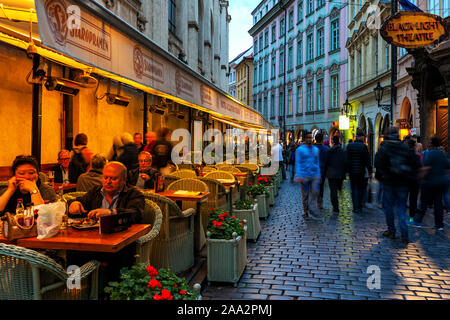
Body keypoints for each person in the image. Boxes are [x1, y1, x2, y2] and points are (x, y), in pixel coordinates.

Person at [375, 126, 420, 244]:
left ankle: (391, 230)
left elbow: (378, 163)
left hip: (389, 182)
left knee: (389, 206)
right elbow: (413, 162)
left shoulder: (384, 147)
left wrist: (381, 177)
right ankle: (404, 233)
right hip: (403, 182)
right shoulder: (404, 146)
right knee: (401, 207)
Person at [68, 161, 144, 223]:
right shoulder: (96, 191)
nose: (108, 182)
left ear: (123, 180)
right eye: (105, 178)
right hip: (95, 236)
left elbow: (135, 214)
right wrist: (75, 203)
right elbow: (81, 201)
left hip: (122, 236)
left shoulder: (134, 193)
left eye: (113, 178)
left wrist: (110, 212)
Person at [411, 136, 449, 231]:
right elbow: (447, 166)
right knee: (438, 203)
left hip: (430, 182)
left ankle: (417, 221)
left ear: (431, 144)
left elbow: (426, 167)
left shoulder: (430, 154)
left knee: (423, 202)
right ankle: (439, 224)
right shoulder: (442, 154)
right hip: (441, 182)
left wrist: (420, 177)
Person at [295, 132, 321, 220]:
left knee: (315, 192)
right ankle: (306, 211)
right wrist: (298, 175)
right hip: (304, 176)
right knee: (305, 195)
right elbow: (298, 162)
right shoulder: (300, 149)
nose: (310, 139)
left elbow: (317, 163)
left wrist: (318, 175)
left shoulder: (316, 150)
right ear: (305, 139)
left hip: (313, 175)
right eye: (308, 138)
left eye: (311, 137)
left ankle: (312, 208)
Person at [346, 131, 372, 214]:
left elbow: (347, 159)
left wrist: (347, 170)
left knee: (354, 189)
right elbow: (367, 160)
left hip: (352, 171)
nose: (364, 138)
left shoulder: (349, 146)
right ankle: (360, 206)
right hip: (361, 171)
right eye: (363, 137)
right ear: (360, 137)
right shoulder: (363, 146)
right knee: (360, 188)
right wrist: (370, 171)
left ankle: (355, 207)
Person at [323, 136, 346, 213]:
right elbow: (345, 162)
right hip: (340, 173)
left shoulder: (329, 151)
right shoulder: (342, 151)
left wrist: (325, 172)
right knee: (338, 189)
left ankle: (335, 207)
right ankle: (338, 203)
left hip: (331, 173)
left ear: (332, 142)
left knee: (333, 191)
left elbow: (326, 163)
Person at [406, 139, 421, 220]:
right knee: (413, 199)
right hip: (414, 180)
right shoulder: (416, 156)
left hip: (405, 179)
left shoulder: (404, 155)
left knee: (403, 197)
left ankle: (402, 215)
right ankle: (411, 216)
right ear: (414, 146)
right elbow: (419, 167)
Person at [314, 133, 329, 209]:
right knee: (321, 186)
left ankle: (316, 201)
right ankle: (320, 201)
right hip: (323, 170)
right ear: (322, 139)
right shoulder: (326, 149)